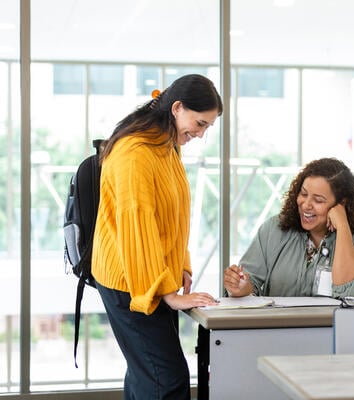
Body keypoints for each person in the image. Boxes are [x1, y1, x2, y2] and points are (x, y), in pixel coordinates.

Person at [91, 74, 222, 400]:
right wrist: (165, 291)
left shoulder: (165, 146)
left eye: (208, 127)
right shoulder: (135, 152)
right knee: (166, 380)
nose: (201, 133)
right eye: (199, 122)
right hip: (129, 281)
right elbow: (137, 226)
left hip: (152, 274)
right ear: (177, 108)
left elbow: (173, 214)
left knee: (147, 374)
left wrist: (182, 265)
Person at [224, 157, 354, 298]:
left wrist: (343, 226)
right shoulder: (274, 229)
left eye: (318, 200)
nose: (306, 205)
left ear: (341, 204)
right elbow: (249, 282)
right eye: (303, 194)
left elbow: (350, 290)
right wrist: (241, 287)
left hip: (336, 329)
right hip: (278, 328)